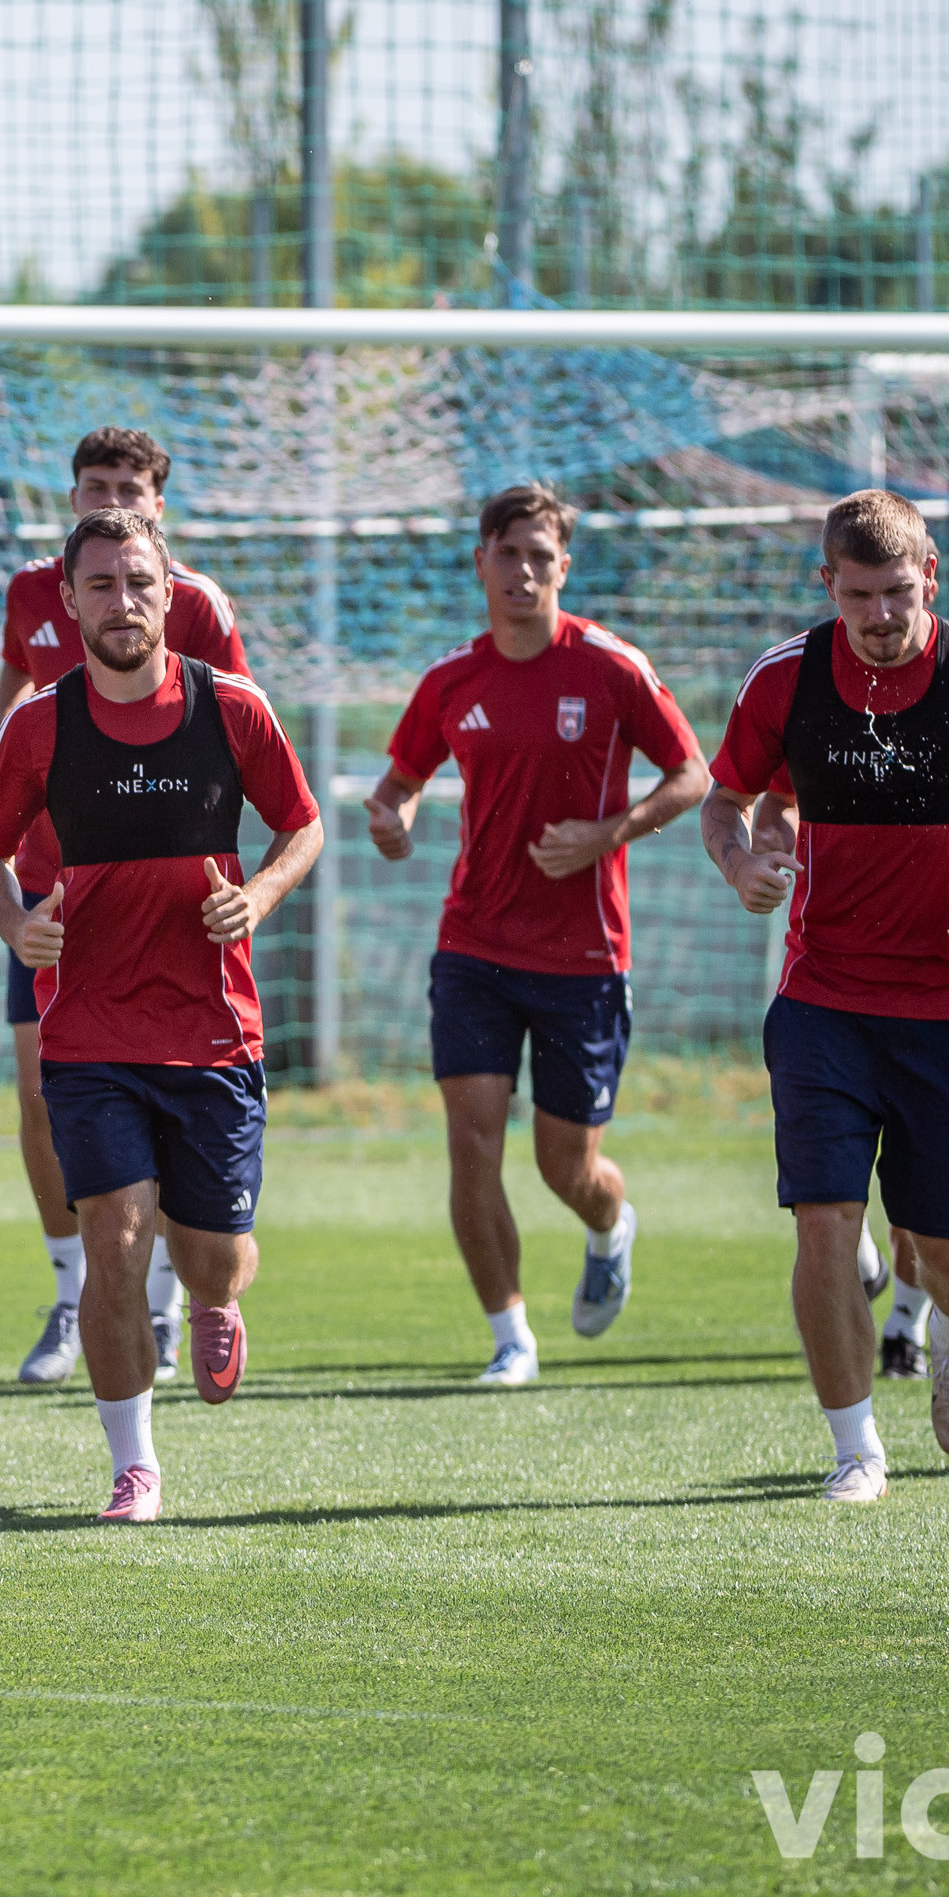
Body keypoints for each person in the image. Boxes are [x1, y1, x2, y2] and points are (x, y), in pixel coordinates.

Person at [698, 490, 949, 1503]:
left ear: (930, 575)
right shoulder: (783, 678)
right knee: (823, 1222)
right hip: (821, 999)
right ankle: (855, 1450)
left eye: (896, 591)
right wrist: (740, 861)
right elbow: (722, 797)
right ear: (828, 584)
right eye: (858, 594)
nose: (878, 615)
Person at [0, 509, 322, 1519]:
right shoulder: (37, 724)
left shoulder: (233, 707)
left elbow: (301, 824)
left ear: (170, 594)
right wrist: (16, 926)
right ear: (68, 600)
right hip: (88, 1031)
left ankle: (214, 1296)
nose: (121, 603)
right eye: (100, 585)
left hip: (212, 1030)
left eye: (138, 583)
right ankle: (134, 1465)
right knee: (114, 1241)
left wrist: (257, 895)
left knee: (213, 1255)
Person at [365, 482, 707, 1385]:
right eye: (508, 553)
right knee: (471, 1140)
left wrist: (609, 833)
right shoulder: (451, 679)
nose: (523, 570)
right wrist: (391, 816)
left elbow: (692, 774)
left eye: (540, 556)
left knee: (567, 1168)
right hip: (473, 947)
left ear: (565, 566)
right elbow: (399, 782)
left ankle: (610, 1224)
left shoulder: (610, 666)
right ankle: (510, 1336)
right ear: (481, 562)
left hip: (583, 957)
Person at [0, 429, 248, 1389]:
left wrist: (237, 880)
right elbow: (13, 698)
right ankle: (75, 1291)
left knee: (173, 1107)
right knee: (42, 1094)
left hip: (171, 901)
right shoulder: (33, 591)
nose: (113, 499)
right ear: (71, 498)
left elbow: (235, 725)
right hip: (52, 892)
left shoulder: (195, 602)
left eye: (131, 487)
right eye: (96, 485)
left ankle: (173, 1297)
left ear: (159, 507)